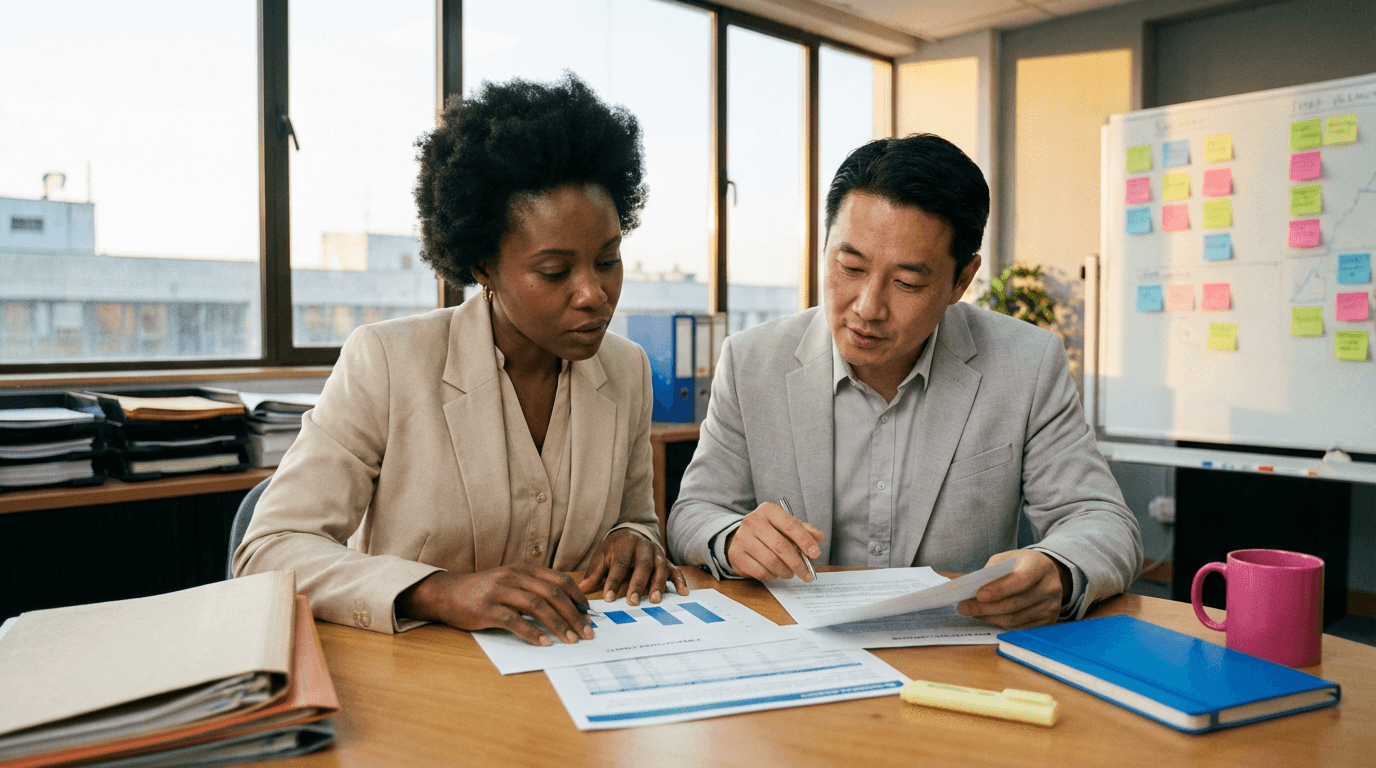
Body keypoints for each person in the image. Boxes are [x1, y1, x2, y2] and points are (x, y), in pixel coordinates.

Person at [234, 74, 688, 645]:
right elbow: (268, 551)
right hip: (416, 669)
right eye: (554, 271)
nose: (593, 294)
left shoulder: (627, 371)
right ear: (482, 267)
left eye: (607, 260)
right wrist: (436, 591)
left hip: (572, 662)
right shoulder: (388, 362)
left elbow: (635, 518)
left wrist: (635, 540)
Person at [667, 133, 1140, 629]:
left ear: (962, 280)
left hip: (955, 651)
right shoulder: (752, 362)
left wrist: (1057, 570)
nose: (867, 307)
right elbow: (695, 511)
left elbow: (1102, 520)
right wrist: (733, 537)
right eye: (850, 267)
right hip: (800, 645)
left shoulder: (1026, 364)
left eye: (907, 283)